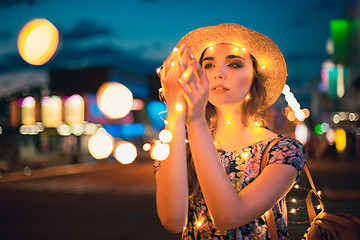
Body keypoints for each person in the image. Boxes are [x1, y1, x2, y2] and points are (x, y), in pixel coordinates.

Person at [154, 23, 306, 239]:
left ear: (255, 76)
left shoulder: (284, 150)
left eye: (234, 64)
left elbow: (228, 217)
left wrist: (195, 119)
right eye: (208, 66)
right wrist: (175, 113)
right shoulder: (177, 144)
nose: (219, 73)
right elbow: (173, 221)